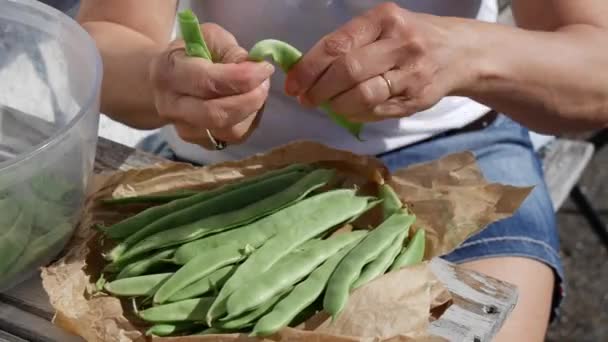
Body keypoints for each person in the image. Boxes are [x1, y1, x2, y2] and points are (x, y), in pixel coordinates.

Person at [76, 1, 608, 341]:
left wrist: (466, 51)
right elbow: (105, 35)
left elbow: (597, 65)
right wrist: (160, 79)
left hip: (456, 162)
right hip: (217, 162)